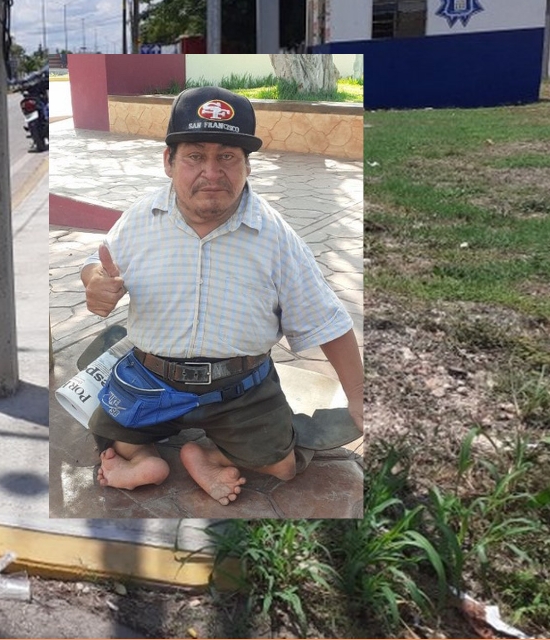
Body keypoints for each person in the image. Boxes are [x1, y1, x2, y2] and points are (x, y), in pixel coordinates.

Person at [80, 85, 364, 506]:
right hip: (151, 378)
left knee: (282, 465)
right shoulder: (141, 218)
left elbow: (327, 321)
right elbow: (97, 263)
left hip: (240, 389)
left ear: (247, 166)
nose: (212, 173)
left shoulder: (275, 237)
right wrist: (94, 283)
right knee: (104, 420)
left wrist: (360, 400)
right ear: (168, 162)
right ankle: (141, 459)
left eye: (227, 157)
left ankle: (208, 453)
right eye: (195, 155)